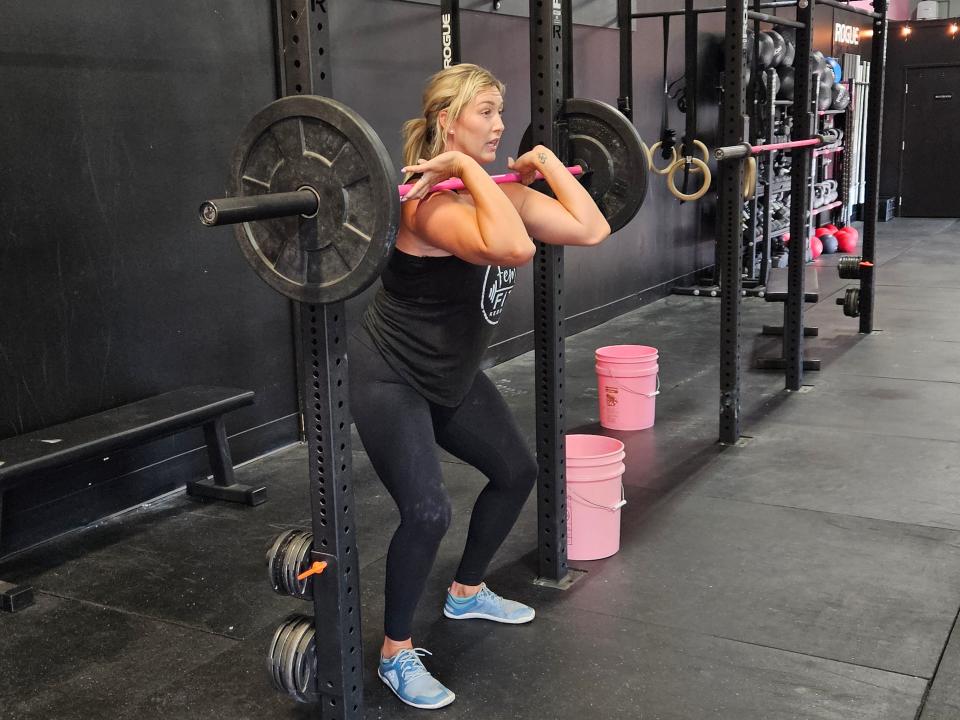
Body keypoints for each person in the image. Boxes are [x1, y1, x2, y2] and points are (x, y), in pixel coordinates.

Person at [348, 63, 610, 710]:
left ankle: (465, 595)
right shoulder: (425, 204)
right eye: (486, 112)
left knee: (516, 472)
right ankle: (395, 654)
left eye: (500, 111)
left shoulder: (495, 189)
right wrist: (464, 173)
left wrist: (546, 161)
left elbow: (591, 228)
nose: (499, 125)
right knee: (428, 510)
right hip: (392, 375)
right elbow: (512, 250)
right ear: (446, 121)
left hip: (452, 375)